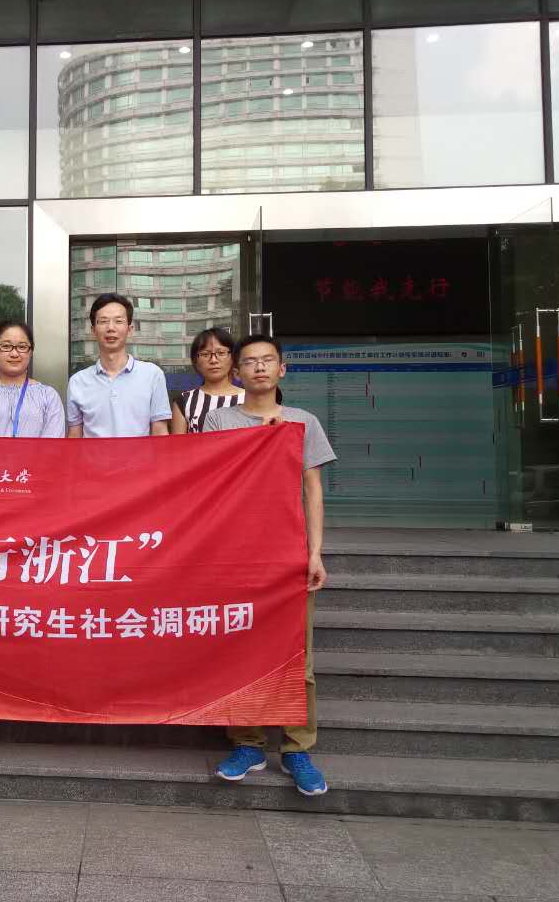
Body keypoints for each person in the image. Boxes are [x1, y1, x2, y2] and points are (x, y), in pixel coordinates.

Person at [203, 333, 336, 797]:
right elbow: (210, 481)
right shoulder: (220, 421)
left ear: (282, 369)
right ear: (237, 372)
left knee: (299, 656)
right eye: (250, 362)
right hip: (236, 554)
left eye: (267, 360)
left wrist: (314, 552)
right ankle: (248, 743)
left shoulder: (303, 421)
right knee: (240, 651)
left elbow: (312, 489)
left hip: (287, 553)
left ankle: (298, 748)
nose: (259, 367)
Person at [66, 293, 172, 438]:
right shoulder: (78, 382)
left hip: (140, 454)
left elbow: (160, 432)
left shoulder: (153, 375)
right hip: (93, 455)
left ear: (130, 329)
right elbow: (74, 437)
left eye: (118, 321)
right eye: (103, 321)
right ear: (93, 330)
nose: (111, 328)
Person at [0, 320, 66, 438]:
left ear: (31, 352)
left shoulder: (48, 397)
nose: (14, 354)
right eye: (6, 346)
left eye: (22, 347)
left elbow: (52, 446)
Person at [171, 327, 246, 434]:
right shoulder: (184, 401)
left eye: (221, 353)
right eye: (205, 354)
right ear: (195, 361)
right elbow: (178, 444)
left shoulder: (249, 398)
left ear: (232, 358)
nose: (213, 360)